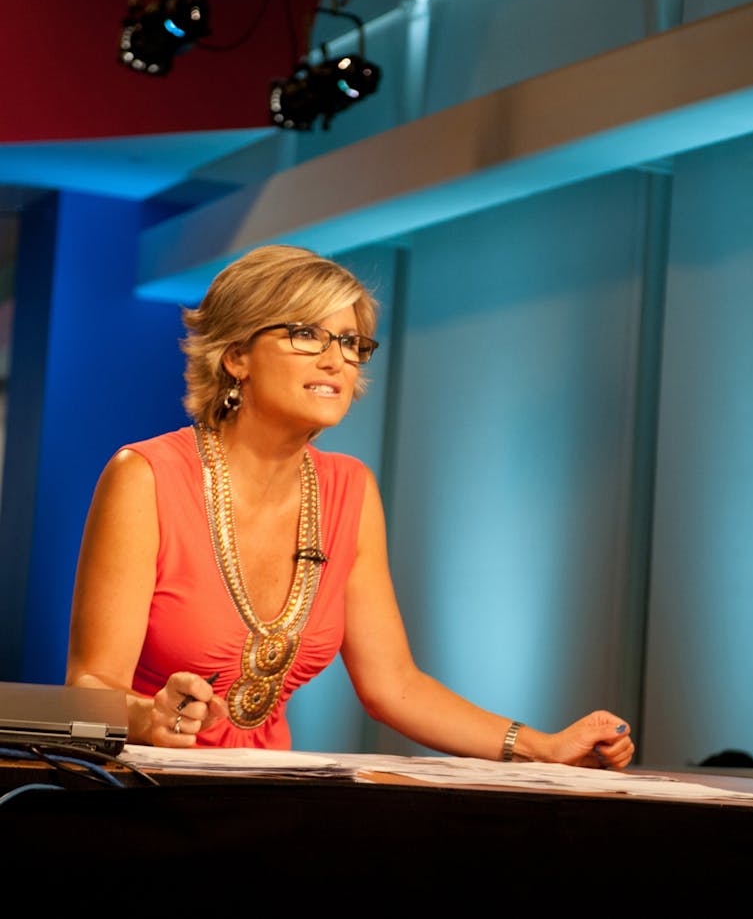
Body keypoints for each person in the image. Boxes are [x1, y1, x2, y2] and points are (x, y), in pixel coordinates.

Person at [66, 244, 635, 770]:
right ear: (236, 356)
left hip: (267, 793)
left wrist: (543, 747)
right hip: (139, 787)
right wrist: (149, 716)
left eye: (350, 342)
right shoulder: (145, 476)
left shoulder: (349, 488)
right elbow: (91, 681)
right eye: (306, 334)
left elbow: (393, 685)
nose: (337, 359)